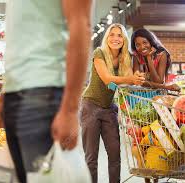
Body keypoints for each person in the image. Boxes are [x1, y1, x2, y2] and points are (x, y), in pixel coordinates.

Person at [0, 1, 93, 183]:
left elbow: (81, 23)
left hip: (45, 94)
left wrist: (70, 109)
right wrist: (5, 93)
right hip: (15, 95)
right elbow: (21, 35)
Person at [80, 23, 145, 183]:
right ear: (107, 37)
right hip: (91, 106)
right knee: (91, 156)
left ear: (124, 39)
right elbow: (107, 79)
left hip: (109, 108)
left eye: (119, 35)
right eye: (112, 34)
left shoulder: (125, 58)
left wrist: (139, 78)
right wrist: (131, 79)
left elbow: (130, 83)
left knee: (115, 154)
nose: (115, 38)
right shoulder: (99, 53)